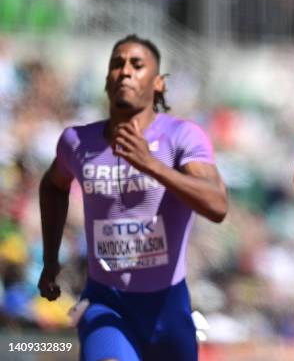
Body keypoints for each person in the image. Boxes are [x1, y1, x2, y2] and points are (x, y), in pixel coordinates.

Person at [37, 34, 227, 361]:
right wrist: (50, 259)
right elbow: (53, 186)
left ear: (158, 84)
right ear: (107, 81)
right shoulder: (77, 141)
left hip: (168, 309)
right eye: (116, 64)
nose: (124, 71)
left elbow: (217, 205)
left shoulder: (181, 137)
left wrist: (151, 165)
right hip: (105, 302)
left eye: (136, 65)